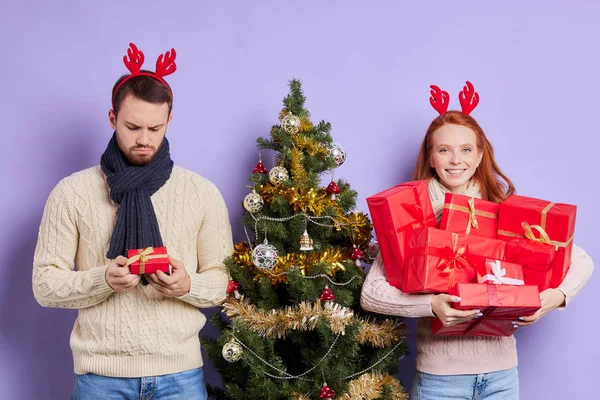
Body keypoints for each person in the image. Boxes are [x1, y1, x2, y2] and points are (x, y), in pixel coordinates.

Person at [360, 81, 594, 399]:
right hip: (440, 380)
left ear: (480, 154)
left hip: (502, 377)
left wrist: (552, 299)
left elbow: (579, 258)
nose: (456, 160)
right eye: (444, 150)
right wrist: (430, 305)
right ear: (430, 157)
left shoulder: (503, 212)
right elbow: (372, 294)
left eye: (466, 149)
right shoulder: (413, 216)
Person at [32, 43, 233, 399]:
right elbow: (44, 284)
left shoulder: (201, 192)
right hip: (100, 379)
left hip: (180, 376)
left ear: (170, 120)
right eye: (132, 126)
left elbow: (223, 282)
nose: (144, 139)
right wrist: (103, 279)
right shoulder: (72, 192)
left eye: (155, 128)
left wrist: (187, 285)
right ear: (112, 119)